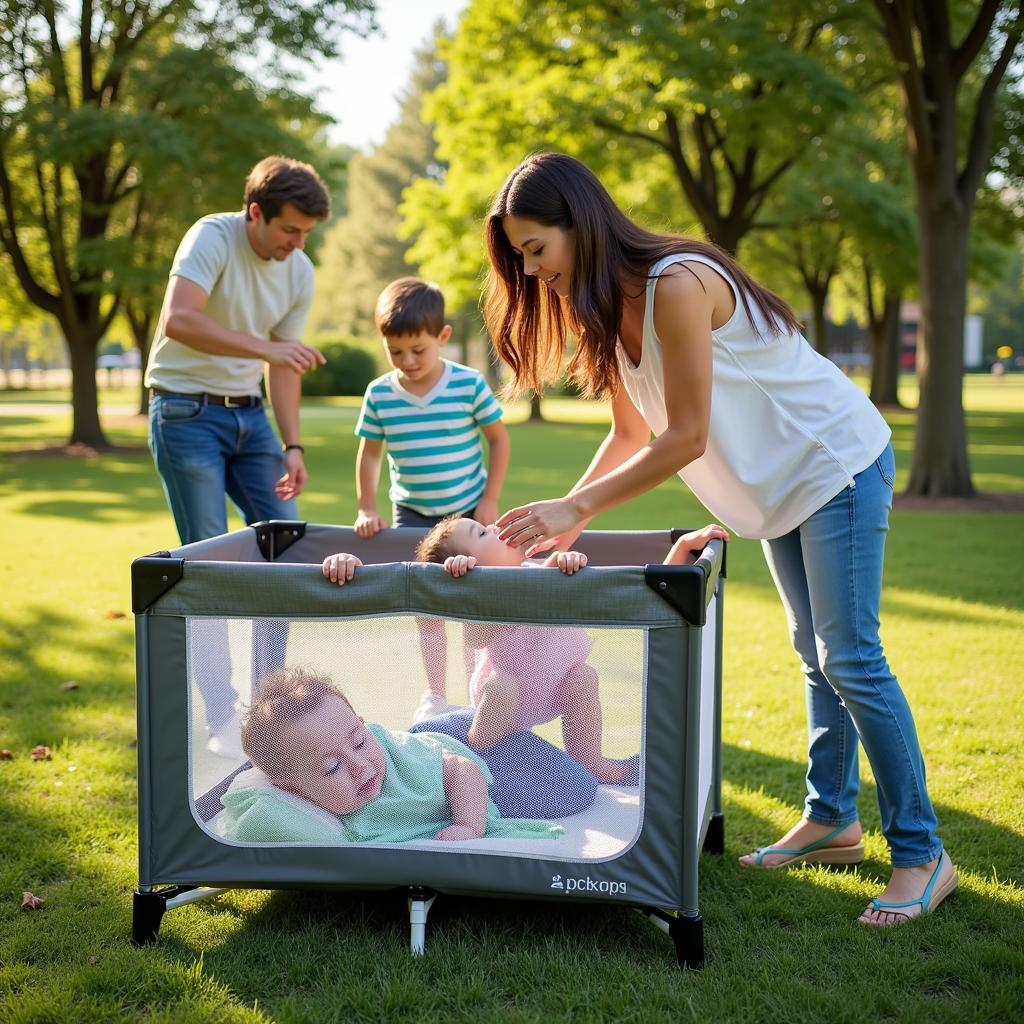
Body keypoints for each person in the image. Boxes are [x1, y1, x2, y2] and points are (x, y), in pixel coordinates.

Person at [480, 152, 957, 927]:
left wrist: (577, 510)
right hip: (777, 490)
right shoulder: (604, 309)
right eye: (521, 258)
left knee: (851, 658)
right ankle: (832, 820)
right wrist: (571, 513)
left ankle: (923, 853)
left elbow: (687, 437)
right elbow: (632, 432)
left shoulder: (677, 282)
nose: (533, 273)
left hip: (832, 464)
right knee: (816, 656)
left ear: (582, 223)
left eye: (537, 250)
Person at [144, 155, 331, 757]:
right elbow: (179, 320)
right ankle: (223, 719)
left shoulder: (298, 270)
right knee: (209, 565)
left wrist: (293, 443)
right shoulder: (212, 236)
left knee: (287, 548)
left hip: (252, 420)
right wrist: (266, 349)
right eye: (289, 230)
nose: (298, 245)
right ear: (256, 213)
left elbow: (283, 367)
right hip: (185, 414)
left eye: (306, 234)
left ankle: (269, 714)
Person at [321, 522, 727, 786]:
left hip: (555, 687)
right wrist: (468, 587)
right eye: (482, 535)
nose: (495, 529)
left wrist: (568, 561)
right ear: (472, 564)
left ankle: (591, 763)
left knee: (585, 678)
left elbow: (636, 587)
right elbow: (476, 636)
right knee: (501, 686)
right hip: (505, 700)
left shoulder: (542, 571)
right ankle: (477, 754)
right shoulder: (483, 594)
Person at [353, 276, 512, 720]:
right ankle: (436, 694)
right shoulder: (380, 394)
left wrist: (490, 501)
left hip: (466, 508)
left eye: (418, 350)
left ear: (441, 337)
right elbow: (369, 456)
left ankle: (476, 688)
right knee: (427, 604)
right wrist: (368, 507)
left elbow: (498, 441)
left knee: (469, 600)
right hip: (413, 513)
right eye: (395, 351)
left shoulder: (468, 385)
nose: (407, 361)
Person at [228, 666, 563, 843]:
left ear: (362, 724)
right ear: (291, 787)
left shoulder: (403, 759)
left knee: (566, 790)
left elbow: (463, 770)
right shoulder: (309, 813)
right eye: (332, 768)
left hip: (467, 751)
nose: (359, 766)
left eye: (358, 742)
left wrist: (469, 825)